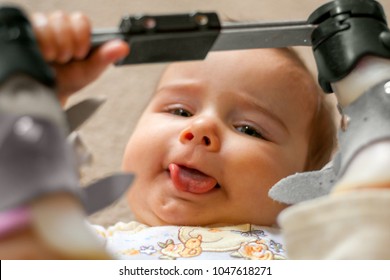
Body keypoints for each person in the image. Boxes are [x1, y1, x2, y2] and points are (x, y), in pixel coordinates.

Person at [3, 10, 389, 260]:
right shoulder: (91, 241)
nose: (200, 130)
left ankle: (371, 113)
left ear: (306, 185)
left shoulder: (309, 248)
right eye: (179, 111)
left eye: (249, 129)